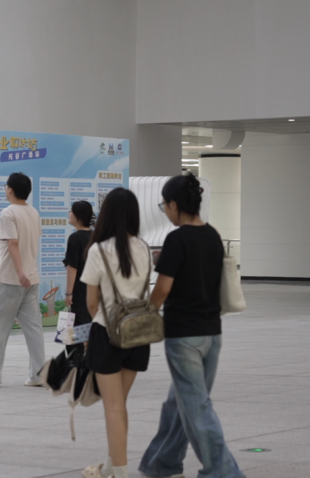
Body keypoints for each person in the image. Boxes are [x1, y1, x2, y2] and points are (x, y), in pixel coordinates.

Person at [139, 174, 244, 478]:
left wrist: (145, 316)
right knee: (179, 403)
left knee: (196, 406)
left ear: (174, 204)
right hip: (212, 332)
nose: (165, 211)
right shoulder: (213, 235)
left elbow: (161, 290)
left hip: (183, 335)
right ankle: (162, 463)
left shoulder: (177, 239)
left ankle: (223, 471)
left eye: (164, 205)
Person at [79, 188, 152, 478]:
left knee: (112, 408)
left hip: (106, 333)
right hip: (138, 332)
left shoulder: (98, 250)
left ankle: (119, 474)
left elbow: (91, 302)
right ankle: (110, 467)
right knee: (119, 405)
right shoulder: (144, 248)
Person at [0, 172, 45, 387]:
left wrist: (18, 271)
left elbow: (13, 243)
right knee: (33, 329)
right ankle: (39, 374)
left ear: (10, 189)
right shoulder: (33, 212)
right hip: (32, 280)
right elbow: (23, 243)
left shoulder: (8, 212)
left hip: (10, 280)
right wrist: (3, 256)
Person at [63, 200, 94, 350]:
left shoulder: (75, 238)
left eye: (71, 211)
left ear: (78, 216)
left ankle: (77, 360)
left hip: (79, 292)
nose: (69, 214)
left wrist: (69, 293)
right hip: (94, 290)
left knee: (76, 337)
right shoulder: (95, 236)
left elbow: (72, 268)